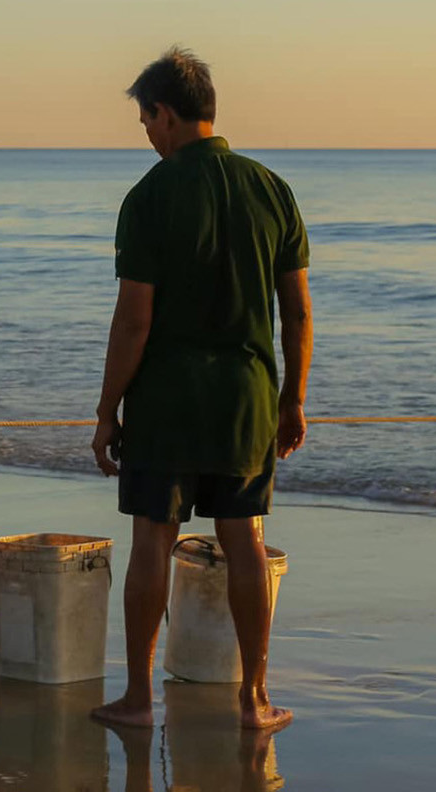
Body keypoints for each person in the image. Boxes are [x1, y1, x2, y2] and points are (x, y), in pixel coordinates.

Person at [89, 48, 313, 733]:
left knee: (153, 539)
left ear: (165, 112)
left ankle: (137, 698)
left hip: (166, 398)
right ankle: (252, 698)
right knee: (243, 538)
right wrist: (293, 397)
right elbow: (298, 311)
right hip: (246, 395)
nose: (147, 135)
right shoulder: (272, 188)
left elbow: (135, 319)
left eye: (145, 121)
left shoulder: (150, 196)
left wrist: (106, 410)